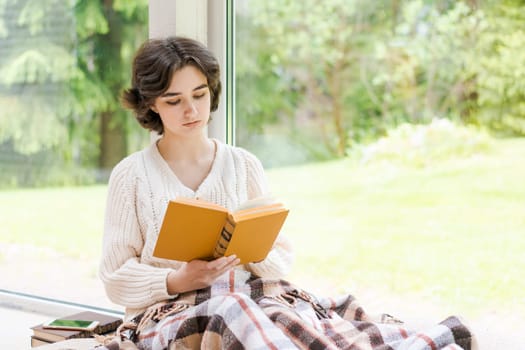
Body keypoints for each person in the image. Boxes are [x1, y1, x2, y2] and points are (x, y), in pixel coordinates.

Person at [96, 36, 476, 350]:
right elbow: (115, 276)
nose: (192, 110)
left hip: (255, 296)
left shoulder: (243, 164)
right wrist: (177, 280)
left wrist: (247, 248)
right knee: (234, 311)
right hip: (174, 311)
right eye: (174, 101)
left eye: (199, 94)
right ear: (150, 104)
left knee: (293, 320)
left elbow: (279, 259)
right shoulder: (131, 175)